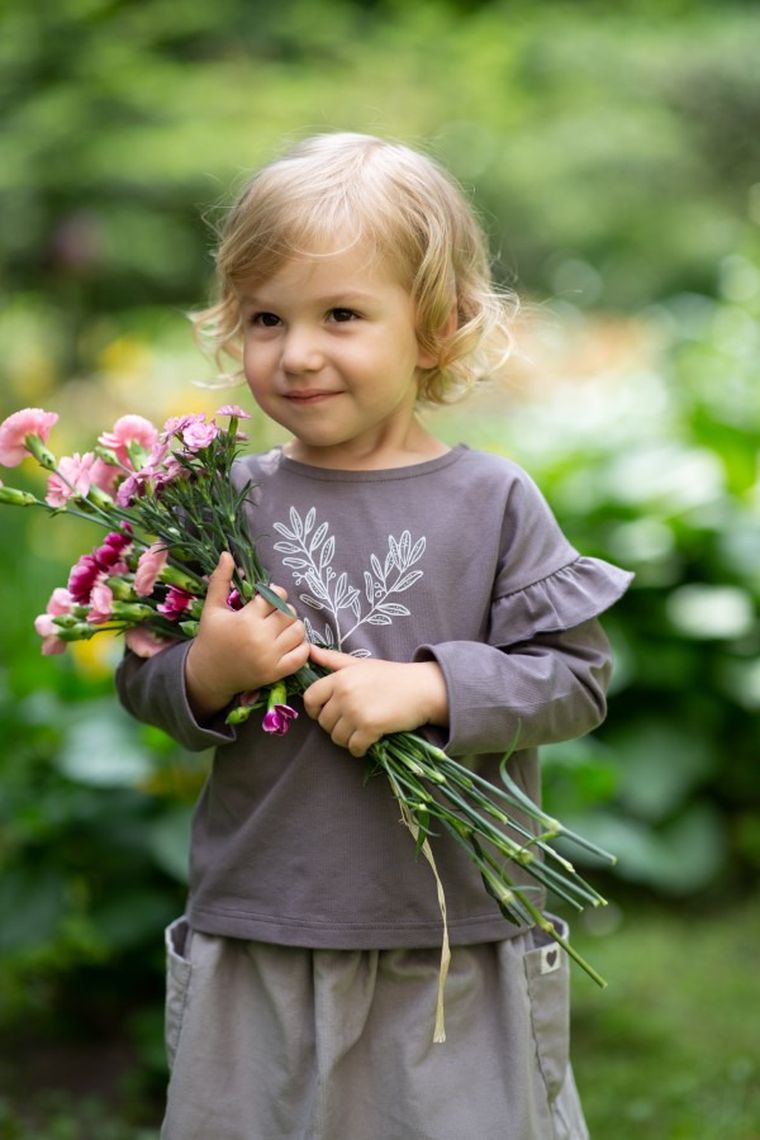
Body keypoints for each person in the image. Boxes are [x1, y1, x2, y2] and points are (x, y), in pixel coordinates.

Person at [116, 132, 632, 1140]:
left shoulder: (492, 503)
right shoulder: (221, 502)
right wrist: (203, 674)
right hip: (264, 919)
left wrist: (433, 690)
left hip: (450, 929)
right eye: (266, 317)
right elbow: (143, 683)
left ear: (435, 329)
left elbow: (575, 679)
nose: (296, 351)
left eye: (341, 315)